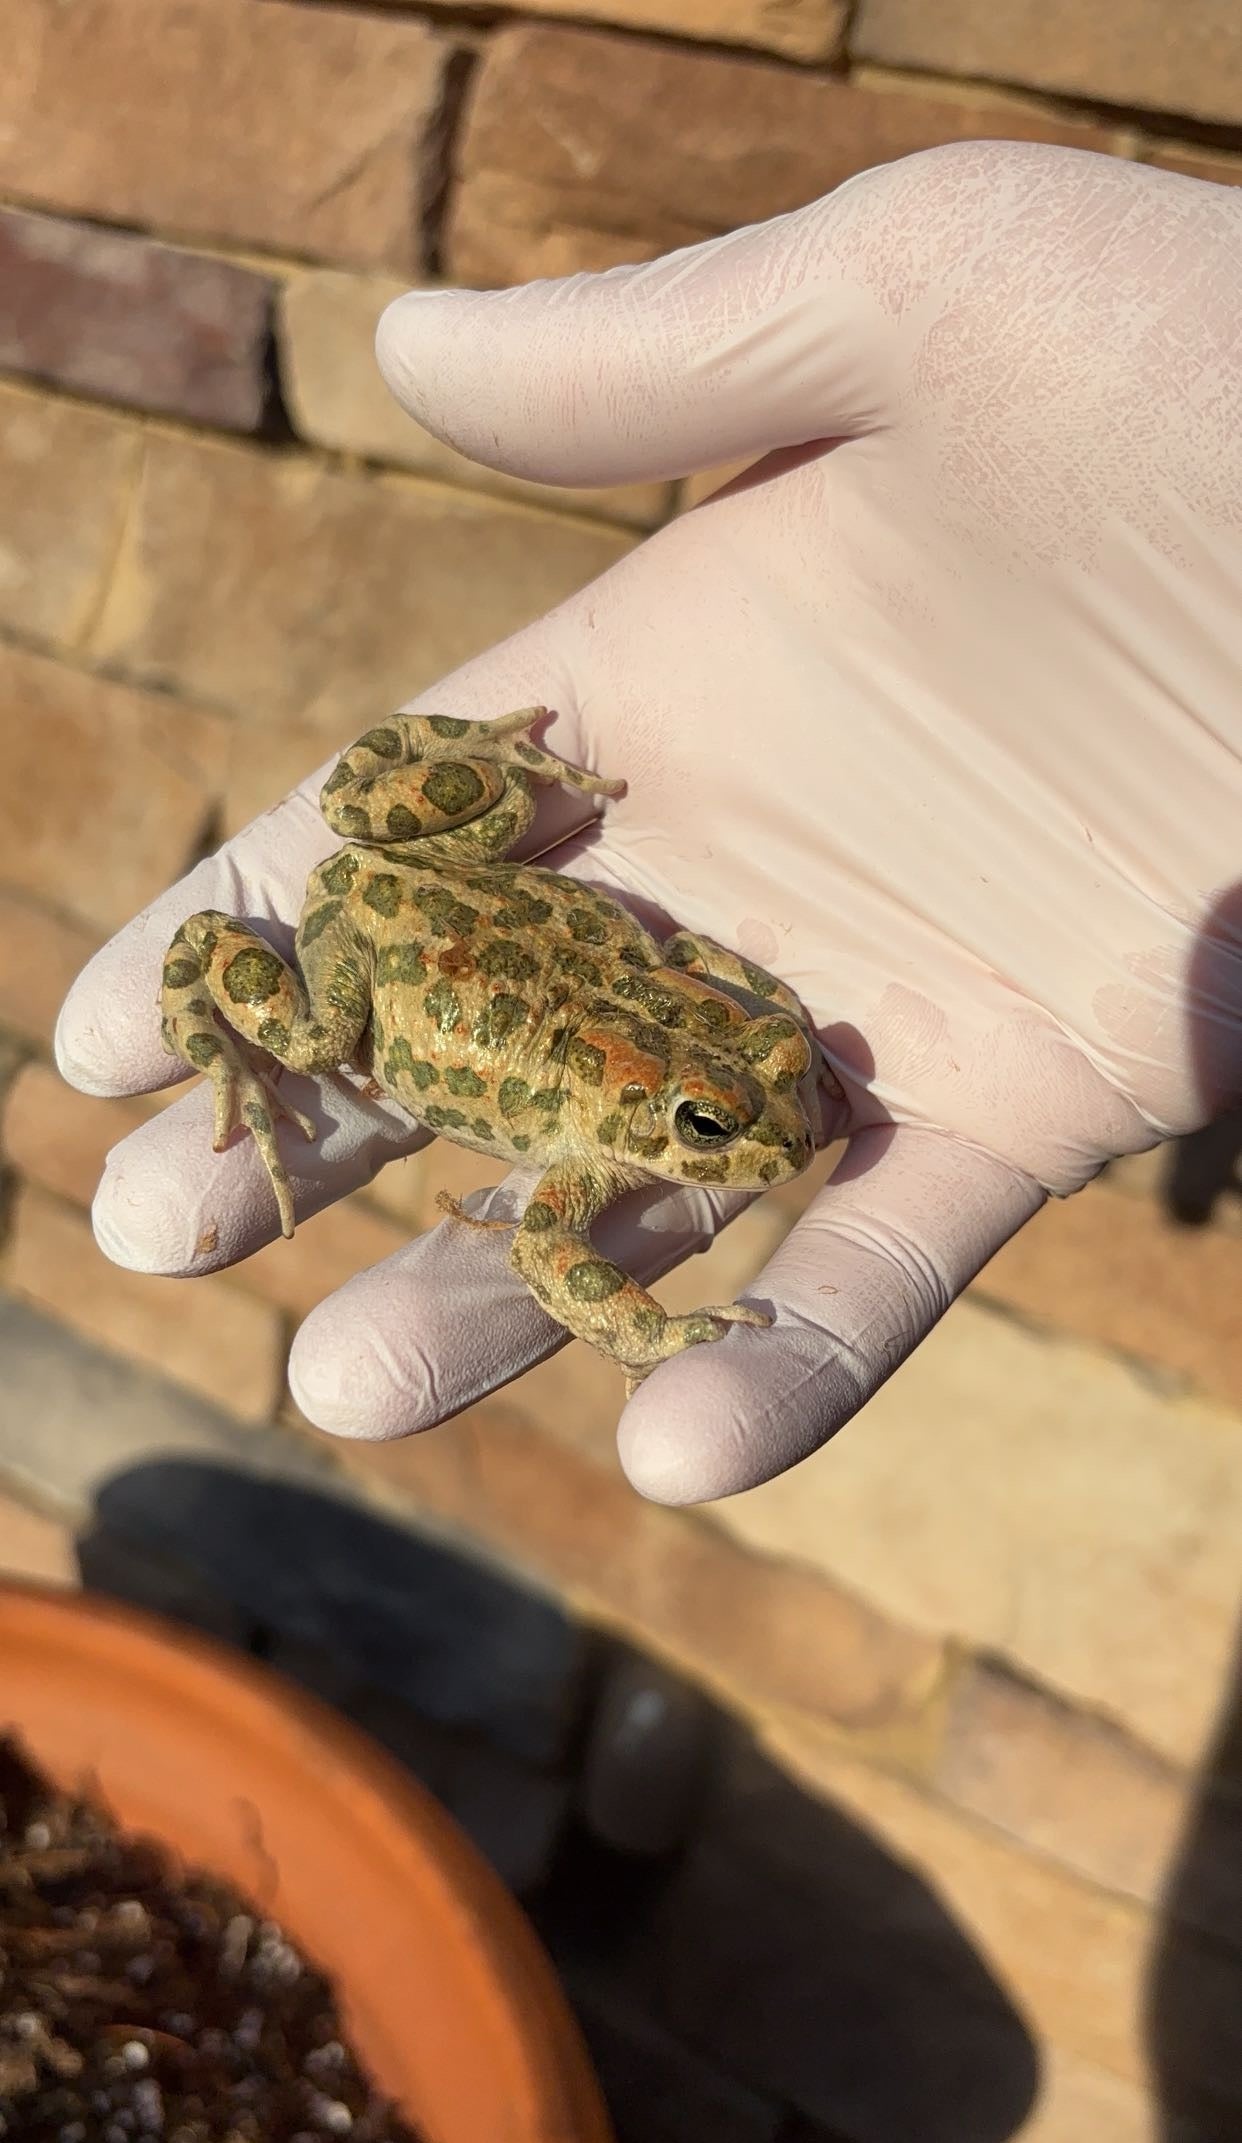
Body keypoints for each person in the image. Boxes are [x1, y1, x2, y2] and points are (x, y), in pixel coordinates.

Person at [56, 140, 1242, 1505]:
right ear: (649, 1112)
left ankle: (441, 814)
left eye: (750, 1085)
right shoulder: (606, 1117)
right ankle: (215, 1005)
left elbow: (590, 1211)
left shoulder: (680, 1038)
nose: (772, 1122)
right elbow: (559, 1258)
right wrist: (646, 1325)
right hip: (383, 943)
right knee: (315, 1039)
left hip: (460, 891)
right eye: (710, 1126)